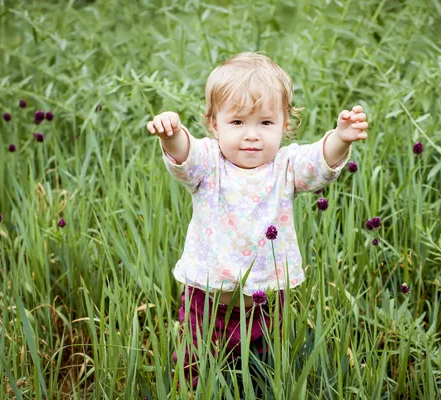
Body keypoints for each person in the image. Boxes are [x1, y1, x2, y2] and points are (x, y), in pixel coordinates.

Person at [146, 51, 369, 390]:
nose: (252, 135)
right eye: (237, 122)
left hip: (266, 304)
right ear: (213, 124)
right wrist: (171, 134)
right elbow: (184, 156)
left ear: (285, 125)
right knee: (194, 365)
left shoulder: (286, 166)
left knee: (265, 370)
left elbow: (318, 164)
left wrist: (339, 138)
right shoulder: (209, 163)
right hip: (206, 302)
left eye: (265, 123)